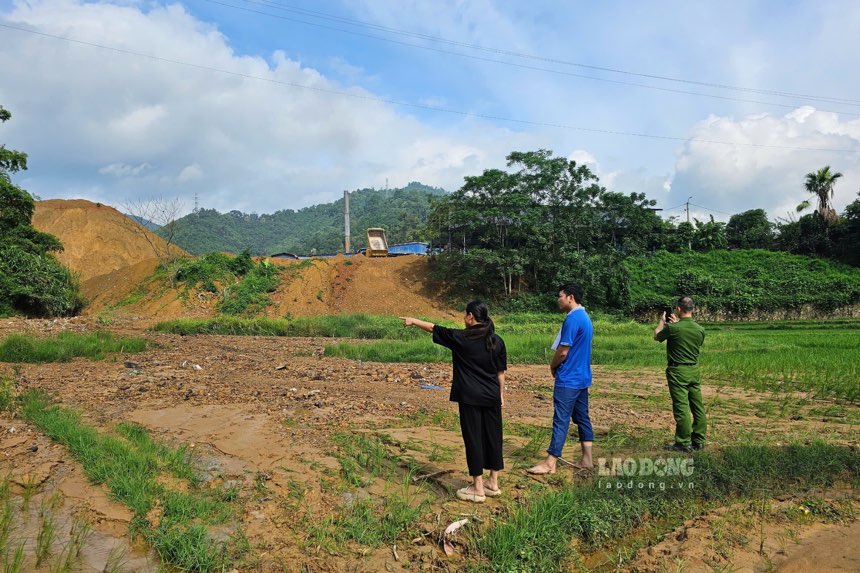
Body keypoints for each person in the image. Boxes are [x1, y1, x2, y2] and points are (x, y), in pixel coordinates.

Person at [400, 301, 507, 503]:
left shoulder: (462, 338)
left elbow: (433, 328)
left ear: (470, 317)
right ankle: (493, 483)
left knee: (474, 439)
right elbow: (500, 373)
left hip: (470, 397)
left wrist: (413, 321)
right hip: (492, 395)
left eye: (464, 315)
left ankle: (477, 487)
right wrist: (500, 395)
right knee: (494, 437)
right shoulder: (497, 341)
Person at [528, 283, 594, 475]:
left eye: (561, 296)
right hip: (582, 378)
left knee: (561, 419)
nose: (559, 299)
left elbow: (563, 351)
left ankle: (550, 462)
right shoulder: (586, 317)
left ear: (570, 297)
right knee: (582, 418)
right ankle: (587, 459)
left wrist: (552, 365)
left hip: (569, 379)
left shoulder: (573, 319)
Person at [653, 296, 707, 452]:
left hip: (678, 371)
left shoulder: (673, 328)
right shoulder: (700, 329)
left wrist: (662, 322)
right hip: (694, 370)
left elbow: (657, 335)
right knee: (697, 406)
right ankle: (699, 440)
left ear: (678, 309)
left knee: (681, 407)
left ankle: (683, 442)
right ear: (693, 309)